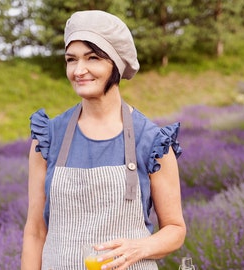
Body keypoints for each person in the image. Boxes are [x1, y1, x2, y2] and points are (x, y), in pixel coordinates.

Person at [21, 10, 186, 270]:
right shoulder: (48, 137)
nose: (79, 70)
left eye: (93, 58)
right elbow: (35, 231)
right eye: (71, 59)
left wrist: (139, 247)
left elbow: (175, 229)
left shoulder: (151, 141)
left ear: (116, 64)